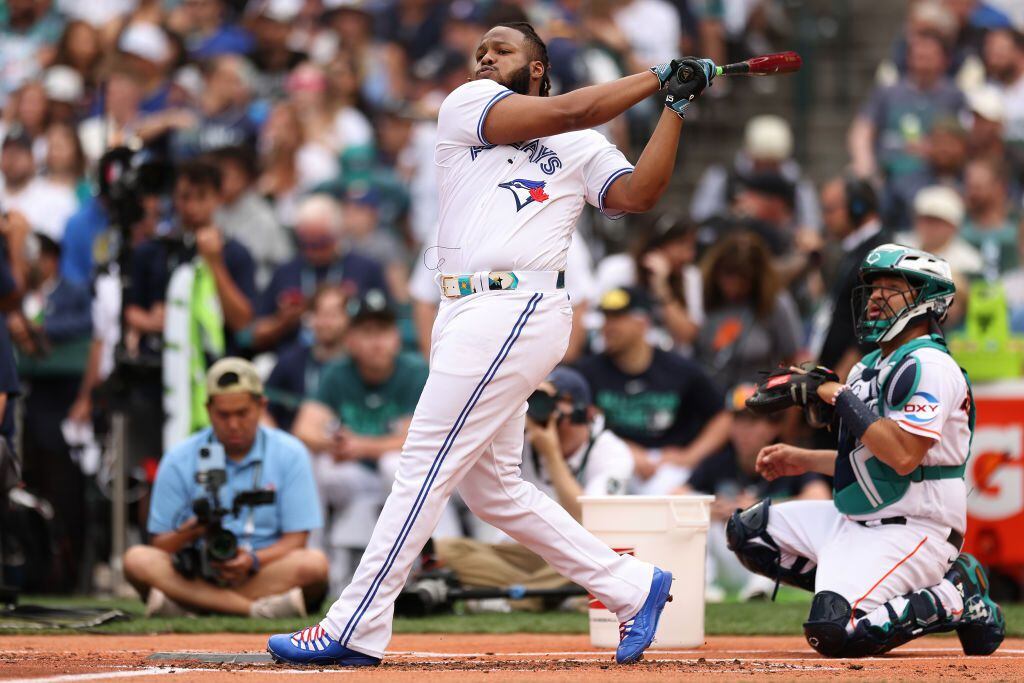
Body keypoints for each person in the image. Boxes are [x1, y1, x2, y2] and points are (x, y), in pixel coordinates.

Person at [268, 21, 717, 666]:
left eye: (502, 49)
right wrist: (656, 77)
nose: (485, 55)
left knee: (423, 463)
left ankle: (354, 624)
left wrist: (672, 106)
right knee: (494, 491)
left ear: (537, 66)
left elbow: (639, 194)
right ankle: (631, 585)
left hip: (519, 302)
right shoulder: (468, 104)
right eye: (481, 48)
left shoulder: (582, 146)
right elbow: (571, 107)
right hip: (461, 306)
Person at [726, 243, 1005, 658]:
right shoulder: (869, 365)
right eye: (873, 289)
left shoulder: (930, 365)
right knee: (750, 532)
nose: (875, 298)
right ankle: (861, 589)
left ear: (927, 300)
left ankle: (956, 594)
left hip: (915, 528)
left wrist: (836, 394)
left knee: (836, 631)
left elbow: (903, 455)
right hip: (855, 517)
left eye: (890, 288)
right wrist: (801, 459)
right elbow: (867, 460)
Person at [122, 358, 328, 618]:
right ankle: (253, 610)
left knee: (314, 564)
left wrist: (252, 560)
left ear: (261, 406)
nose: (233, 425)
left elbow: (297, 540)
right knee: (136, 559)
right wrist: (194, 528)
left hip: (261, 570)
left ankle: (191, 606)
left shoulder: (290, 452)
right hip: (197, 572)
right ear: (208, 410)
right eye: (223, 415)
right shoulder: (179, 458)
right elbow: (160, 544)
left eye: (242, 413)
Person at [435, 366, 634, 610]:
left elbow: (591, 519)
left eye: (550, 401)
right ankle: (556, 596)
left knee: (600, 560)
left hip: (576, 549)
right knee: (444, 550)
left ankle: (512, 599)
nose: (540, 410)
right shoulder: (522, 437)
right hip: (523, 552)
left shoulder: (610, 451)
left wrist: (551, 455)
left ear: (584, 411)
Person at [126, 160, 257, 451]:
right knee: (155, 469)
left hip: (216, 380)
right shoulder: (152, 251)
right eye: (185, 197)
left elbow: (243, 320)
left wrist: (214, 262)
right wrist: (160, 322)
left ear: (218, 199)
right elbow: (131, 310)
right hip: (159, 377)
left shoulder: (235, 253)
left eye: (202, 197)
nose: (192, 207)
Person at [680, 384, 830, 602]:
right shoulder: (718, 461)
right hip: (728, 558)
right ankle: (703, 585)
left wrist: (761, 508)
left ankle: (759, 590)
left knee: (767, 524)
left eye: (752, 422)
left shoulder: (786, 459)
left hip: (772, 564)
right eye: (738, 421)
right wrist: (711, 509)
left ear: (773, 427)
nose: (743, 430)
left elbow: (820, 498)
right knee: (697, 514)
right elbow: (677, 495)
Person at [577, 286, 731, 495]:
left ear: (642, 323)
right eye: (606, 318)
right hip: (611, 456)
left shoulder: (679, 369)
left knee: (677, 496)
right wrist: (623, 449)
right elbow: (581, 422)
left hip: (666, 467)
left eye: (617, 318)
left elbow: (722, 416)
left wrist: (690, 456)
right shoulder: (588, 372)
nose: (608, 327)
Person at [252, 194, 388, 353]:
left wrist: (347, 315)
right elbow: (255, 334)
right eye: (306, 244)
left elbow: (385, 324)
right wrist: (283, 321)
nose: (313, 252)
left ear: (338, 235)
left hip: (353, 358)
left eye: (321, 243)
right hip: (293, 357)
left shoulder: (366, 268)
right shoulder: (285, 272)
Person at [694, 232, 802, 392]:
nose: (733, 288)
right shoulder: (705, 296)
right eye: (727, 277)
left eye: (742, 280)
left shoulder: (775, 303)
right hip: (710, 398)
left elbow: (792, 361)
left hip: (759, 402)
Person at [807, 176, 888, 380]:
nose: (825, 218)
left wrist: (839, 383)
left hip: (847, 384)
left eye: (830, 209)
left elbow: (872, 327)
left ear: (857, 208)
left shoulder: (878, 253)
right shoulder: (854, 250)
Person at [264, 285, 349, 433]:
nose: (326, 322)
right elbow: (263, 409)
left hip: (345, 446)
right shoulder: (289, 361)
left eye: (334, 314)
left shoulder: (359, 363)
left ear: (348, 318)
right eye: (320, 314)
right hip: (295, 443)